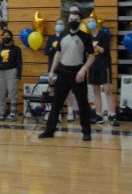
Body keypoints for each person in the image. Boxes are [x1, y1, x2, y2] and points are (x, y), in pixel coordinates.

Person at [38, 9, 96, 141]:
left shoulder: (85, 37)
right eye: (70, 20)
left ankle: (86, 132)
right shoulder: (62, 35)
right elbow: (58, 54)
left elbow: (91, 57)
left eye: (75, 20)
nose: (72, 22)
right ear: (67, 21)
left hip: (78, 73)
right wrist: (52, 71)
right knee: (56, 103)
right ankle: (49, 130)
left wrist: (83, 70)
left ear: (80, 22)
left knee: (83, 104)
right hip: (63, 73)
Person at [43, 18, 77, 121]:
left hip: (65, 68)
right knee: (53, 90)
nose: (59, 25)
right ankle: (54, 113)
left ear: (65, 26)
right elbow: (46, 51)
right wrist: (55, 49)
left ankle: (70, 112)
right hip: (53, 68)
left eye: (61, 24)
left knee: (68, 91)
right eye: (57, 24)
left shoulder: (67, 37)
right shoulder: (51, 38)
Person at [87, 18, 116, 126]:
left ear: (96, 23)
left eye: (92, 21)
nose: (90, 23)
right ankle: (98, 115)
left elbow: (105, 50)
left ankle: (112, 114)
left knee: (107, 90)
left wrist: (95, 46)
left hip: (104, 66)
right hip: (93, 66)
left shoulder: (103, 35)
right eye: (88, 22)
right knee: (96, 91)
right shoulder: (87, 37)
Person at [0, 29, 22, 121]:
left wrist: (18, 75)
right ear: (2, 37)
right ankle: (2, 113)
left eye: (8, 35)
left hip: (11, 72)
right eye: (4, 35)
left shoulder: (16, 49)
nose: (6, 37)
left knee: (13, 94)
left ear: (11, 37)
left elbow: (19, 63)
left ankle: (13, 113)